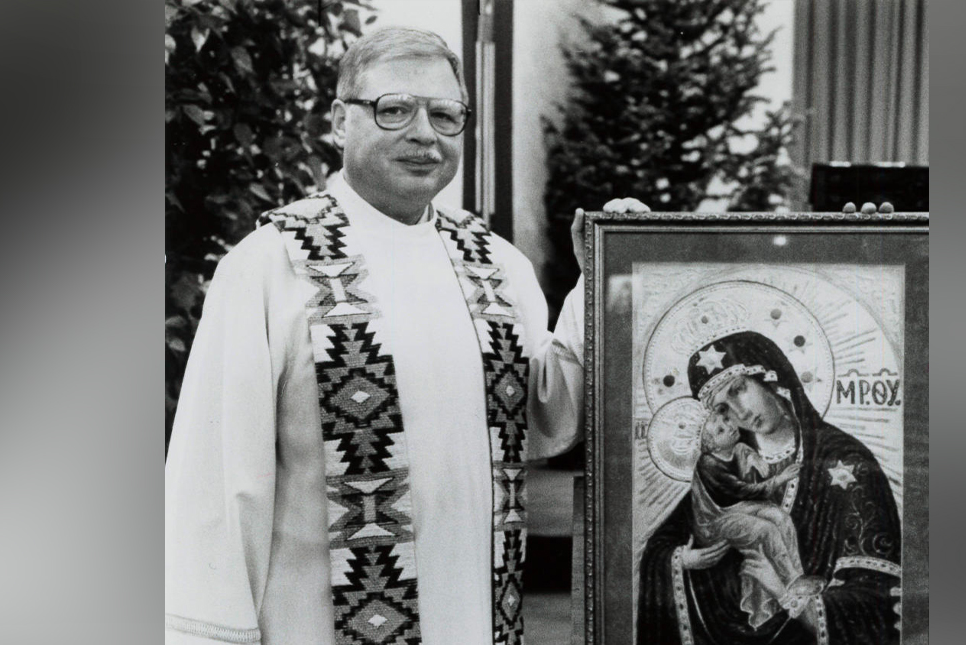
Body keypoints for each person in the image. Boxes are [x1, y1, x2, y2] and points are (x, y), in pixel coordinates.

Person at [165, 27, 645, 645]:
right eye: (395, 109)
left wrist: (599, 280)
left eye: (446, 115)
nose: (424, 134)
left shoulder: (495, 265)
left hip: (477, 619)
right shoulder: (270, 266)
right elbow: (220, 484)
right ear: (341, 120)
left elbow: (547, 420)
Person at [638, 331, 902, 645]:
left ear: (770, 377)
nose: (739, 413)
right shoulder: (728, 465)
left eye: (738, 390)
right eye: (722, 409)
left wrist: (782, 590)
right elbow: (667, 544)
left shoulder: (845, 461)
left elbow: (872, 594)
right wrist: (684, 560)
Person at [690, 414, 802, 628]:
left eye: (725, 419)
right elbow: (742, 491)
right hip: (715, 521)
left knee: (780, 517)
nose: (729, 426)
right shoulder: (708, 463)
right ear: (710, 444)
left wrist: (753, 457)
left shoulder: (735, 448)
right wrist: (779, 479)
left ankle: (798, 575)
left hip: (735, 508)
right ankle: (790, 582)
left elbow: (743, 450)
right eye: (720, 430)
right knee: (765, 530)